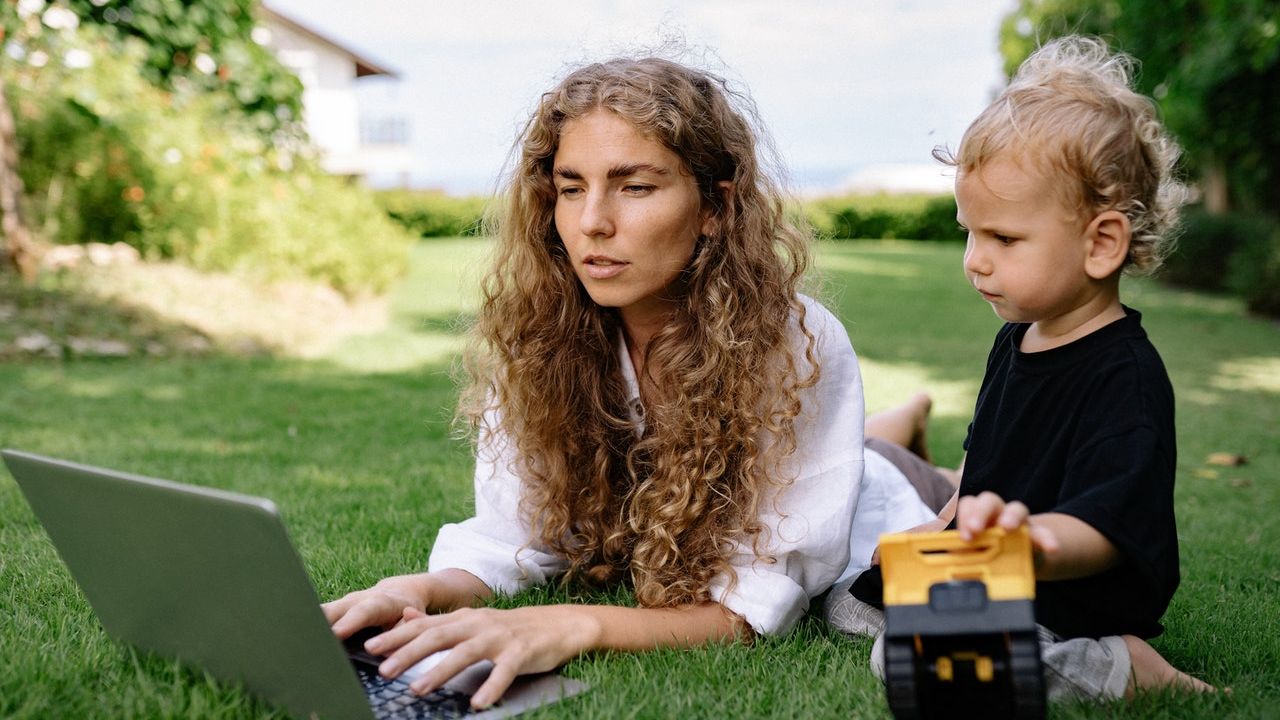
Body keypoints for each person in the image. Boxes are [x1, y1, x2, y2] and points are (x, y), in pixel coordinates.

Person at [322, 56, 949, 711]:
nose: (592, 222)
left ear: (714, 206)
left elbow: (753, 606)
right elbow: (511, 534)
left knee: (910, 478)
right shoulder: (543, 336)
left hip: (870, 500)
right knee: (874, 446)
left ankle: (904, 434)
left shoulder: (797, 346)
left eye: (635, 187)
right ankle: (897, 424)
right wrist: (419, 589)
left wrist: (577, 623)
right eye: (570, 188)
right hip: (819, 458)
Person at [824, 36, 1216, 700]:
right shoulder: (1016, 340)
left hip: (1067, 596)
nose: (975, 260)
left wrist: (1026, 544)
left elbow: (1104, 528)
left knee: (905, 656)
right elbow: (985, 466)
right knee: (843, 603)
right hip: (991, 574)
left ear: (1101, 243)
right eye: (968, 231)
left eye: (1002, 239)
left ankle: (1124, 664)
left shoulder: (1124, 377)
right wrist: (939, 529)